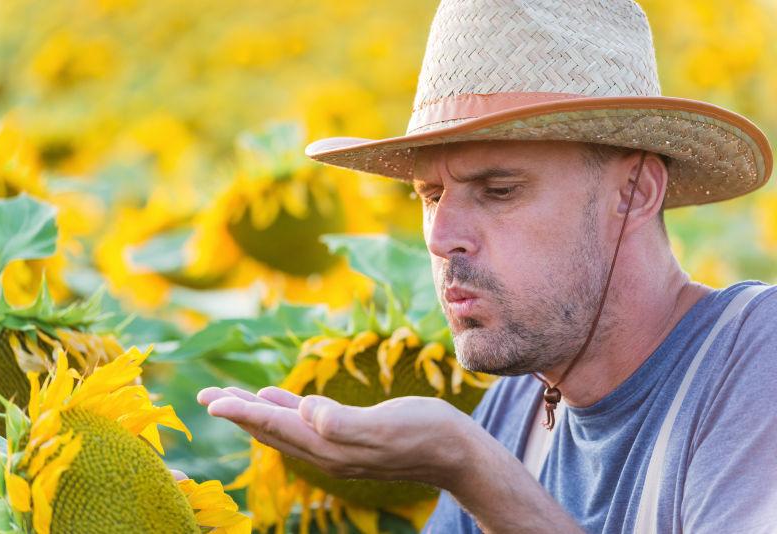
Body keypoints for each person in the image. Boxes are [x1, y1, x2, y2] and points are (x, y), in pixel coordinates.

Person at [198, 1, 776, 532]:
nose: (442, 238)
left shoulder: (754, 361)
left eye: (498, 190)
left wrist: (470, 467)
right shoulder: (516, 406)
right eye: (429, 196)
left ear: (634, 191)